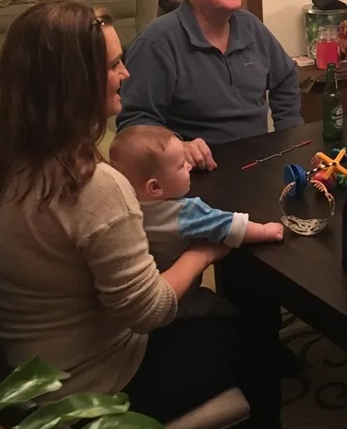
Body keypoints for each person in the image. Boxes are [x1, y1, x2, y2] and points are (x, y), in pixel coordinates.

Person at [0, 1, 290, 429]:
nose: (125, 74)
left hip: (33, 369)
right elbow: (151, 310)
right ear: (75, 83)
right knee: (254, 333)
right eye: (114, 65)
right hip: (90, 391)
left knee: (219, 315)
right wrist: (203, 251)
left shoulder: (5, 165)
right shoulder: (91, 185)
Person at [118, 0, 302, 171]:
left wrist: (289, 135)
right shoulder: (156, 43)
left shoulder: (251, 26)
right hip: (197, 174)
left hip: (259, 163)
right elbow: (134, 125)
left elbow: (286, 77)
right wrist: (178, 146)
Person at [109, 124, 285, 318]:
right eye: (180, 165)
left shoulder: (123, 206)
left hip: (145, 299)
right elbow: (228, 225)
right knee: (226, 311)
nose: (189, 166)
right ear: (155, 187)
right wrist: (266, 230)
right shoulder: (185, 212)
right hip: (178, 304)